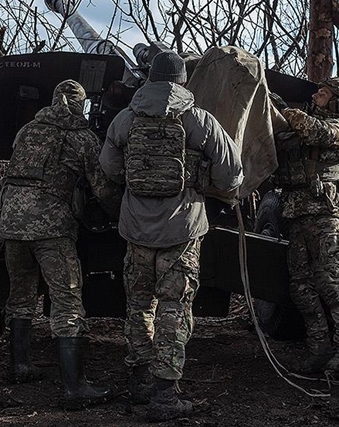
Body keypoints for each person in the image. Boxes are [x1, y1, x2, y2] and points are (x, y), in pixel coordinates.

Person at [99, 51, 243, 421]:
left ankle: (139, 381)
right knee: (173, 307)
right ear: (182, 81)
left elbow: (109, 169)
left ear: (150, 78)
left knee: (139, 305)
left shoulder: (126, 118)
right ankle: (164, 393)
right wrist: (201, 182)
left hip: (136, 229)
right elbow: (231, 174)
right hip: (182, 230)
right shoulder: (198, 119)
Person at [0, 79, 122, 409]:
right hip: (51, 228)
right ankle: (74, 388)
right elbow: (102, 188)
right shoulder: (82, 138)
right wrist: (123, 216)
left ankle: (20, 366)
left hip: (11, 224)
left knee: (20, 295)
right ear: (81, 104)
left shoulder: (27, 130)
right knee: (67, 301)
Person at [274, 77, 339, 372]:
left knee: (330, 283)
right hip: (297, 214)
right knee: (300, 286)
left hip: (325, 217)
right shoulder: (302, 125)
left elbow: (314, 131)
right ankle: (319, 349)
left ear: (338, 102)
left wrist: (284, 110)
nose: (316, 95)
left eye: (324, 93)